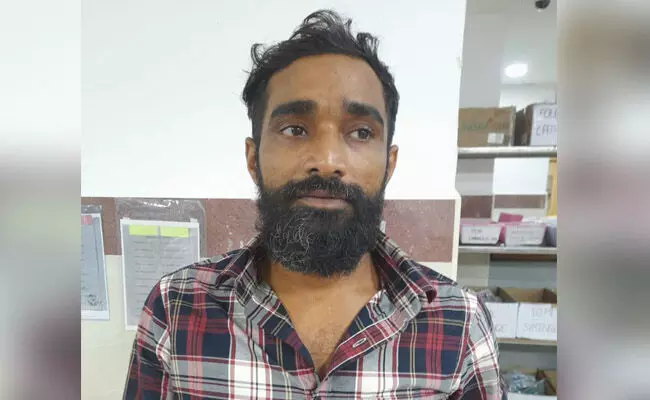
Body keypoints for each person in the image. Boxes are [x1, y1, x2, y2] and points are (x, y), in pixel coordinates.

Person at [124, 9, 504, 399]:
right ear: (253, 159)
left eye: (361, 132)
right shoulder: (176, 308)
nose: (326, 159)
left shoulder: (460, 323)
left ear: (389, 165)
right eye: (295, 129)